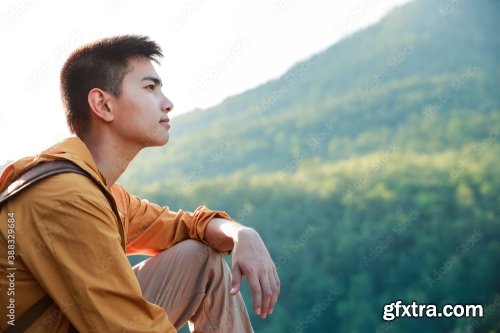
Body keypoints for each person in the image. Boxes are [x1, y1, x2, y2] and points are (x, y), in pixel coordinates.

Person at [0, 35, 279, 332]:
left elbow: (182, 226)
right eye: (150, 88)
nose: (168, 103)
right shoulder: (67, 197)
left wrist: (241, 234)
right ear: (102, 104)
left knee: (200, 258)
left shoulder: (99, 190)